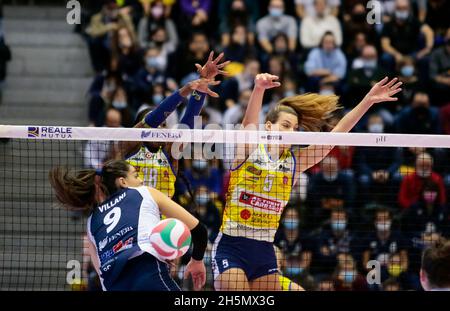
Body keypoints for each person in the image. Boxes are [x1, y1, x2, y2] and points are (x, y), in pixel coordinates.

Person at [212, 72, 402, 291]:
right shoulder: (248, 151)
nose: (291, 132)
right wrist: (259, 89)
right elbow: (248, 125)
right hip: (232, 245)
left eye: (294, 128)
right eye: (285, 125)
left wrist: (368, 100)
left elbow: (336, 136)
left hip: (263, 251)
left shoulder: (295, 163)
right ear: (269, 126)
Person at [49, 159, 208, 291]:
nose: (141, 180)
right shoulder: (145, 192)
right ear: (123, 181)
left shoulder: (91, 222)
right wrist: (197, 260)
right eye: (136, 175)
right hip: (147, 272)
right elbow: (199, 231)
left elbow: (101, 271)